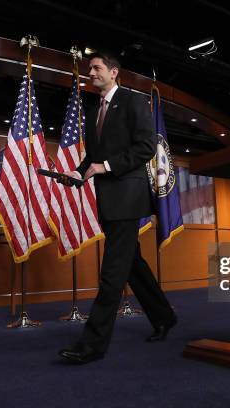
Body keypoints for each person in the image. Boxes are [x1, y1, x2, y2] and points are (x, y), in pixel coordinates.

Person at [58, 50, 177, 364]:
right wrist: (77, 173)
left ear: (113, 72)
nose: (91, 72)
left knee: (111, 274)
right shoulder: (96, 109)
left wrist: (105, 166)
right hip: (108, 201)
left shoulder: (134, 101)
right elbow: (93, 158)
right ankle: (164, 316)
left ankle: (92, 345)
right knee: (132, 265)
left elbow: (145, 148)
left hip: (127, 198)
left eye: (96, 68)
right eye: (90, 69)